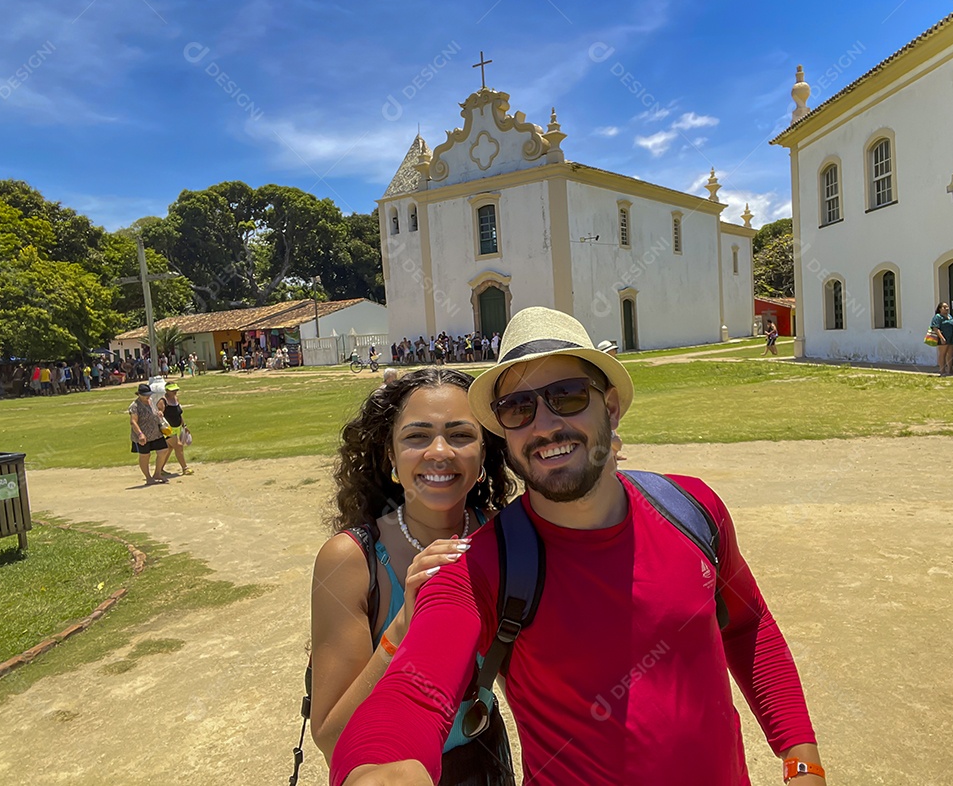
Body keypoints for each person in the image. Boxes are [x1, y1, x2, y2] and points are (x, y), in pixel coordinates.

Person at [333, 307, 824, 786]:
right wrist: (381, 767)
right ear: (505, 431)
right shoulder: (480, 567)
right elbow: (415, 692)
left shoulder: (692, 508)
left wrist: (802, 760)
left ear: (609, 408)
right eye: (518, 408)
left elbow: (747, 626)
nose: (544, 425)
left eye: (566, 395)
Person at [311, 369, 517, 783]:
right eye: (417, 436)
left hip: (485, 760)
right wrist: (404, 627)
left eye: (460, 435)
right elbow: (332, 737)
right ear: (390, 455)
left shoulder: (507, 540)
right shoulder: (353, 559)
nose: (439, 452)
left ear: (484, 454)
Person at [128, 383, 170, 484]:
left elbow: (155, 412)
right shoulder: (135, 406)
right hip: (143, 434)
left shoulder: (151, 401)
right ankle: (148, 477)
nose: (148, 396)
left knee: (163, 450)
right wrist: (140, 434)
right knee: (145, 455)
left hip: (156, 433)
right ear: (139, 394)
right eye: (145, 395)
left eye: (149, 394)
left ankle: (157, 473)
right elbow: (133, 422)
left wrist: (159, 413)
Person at [158, 382, 193, 475]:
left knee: (169, 449)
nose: (175, 392)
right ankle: (185, 468)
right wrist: (160, 413)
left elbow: (179, 414)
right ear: (167, 390)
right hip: (167, 429)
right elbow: (159, 413)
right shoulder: (163, 401)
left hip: (177, 428)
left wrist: (184, 426)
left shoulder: (176, 399)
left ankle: (159, 470)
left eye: (176, 390)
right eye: (172, 390)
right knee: (178, 445)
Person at [931, 302, 953, 376]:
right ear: (940, 309)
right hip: (943, 337)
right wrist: (941, 337)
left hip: (951, 337)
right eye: (944, 307)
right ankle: (942, 370)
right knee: (942, 354)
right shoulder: (938, 317)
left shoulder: (950, 316)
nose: (946, 308)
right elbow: (935, 328)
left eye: (947, 307)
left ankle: (950, 369)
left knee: (950, 354)